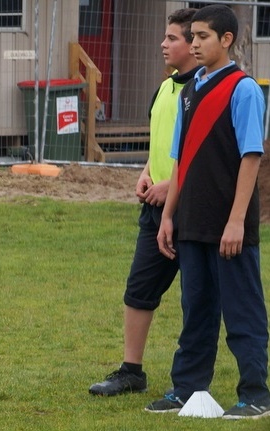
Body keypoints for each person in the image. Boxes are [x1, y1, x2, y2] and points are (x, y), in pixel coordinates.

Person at [148, 4, 269, 418]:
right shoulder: (187, 90)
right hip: (191, 224)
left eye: (202, 37)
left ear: (227, 40)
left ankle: (255, 394)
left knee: (242, 311)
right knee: (195, 310)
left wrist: (236, 221)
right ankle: (186, 389)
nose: (194, 44)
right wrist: (169, 216)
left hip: (229, 227)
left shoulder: (244, 89)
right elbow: (180, 160)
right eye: (192, 37)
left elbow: (251, 157)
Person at [89, 8, 199, 396]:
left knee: (201, 298)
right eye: (165, 37)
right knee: (138, 291)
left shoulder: (204, 89)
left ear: (195, 42)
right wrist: (146, 173)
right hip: (155, 210)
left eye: (172, 38)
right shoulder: (167, 86)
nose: (163, 44)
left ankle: (199, 380)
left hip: (194, 209)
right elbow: (161, 141)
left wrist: (173, 185)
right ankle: (131, 371)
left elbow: (203, 152)